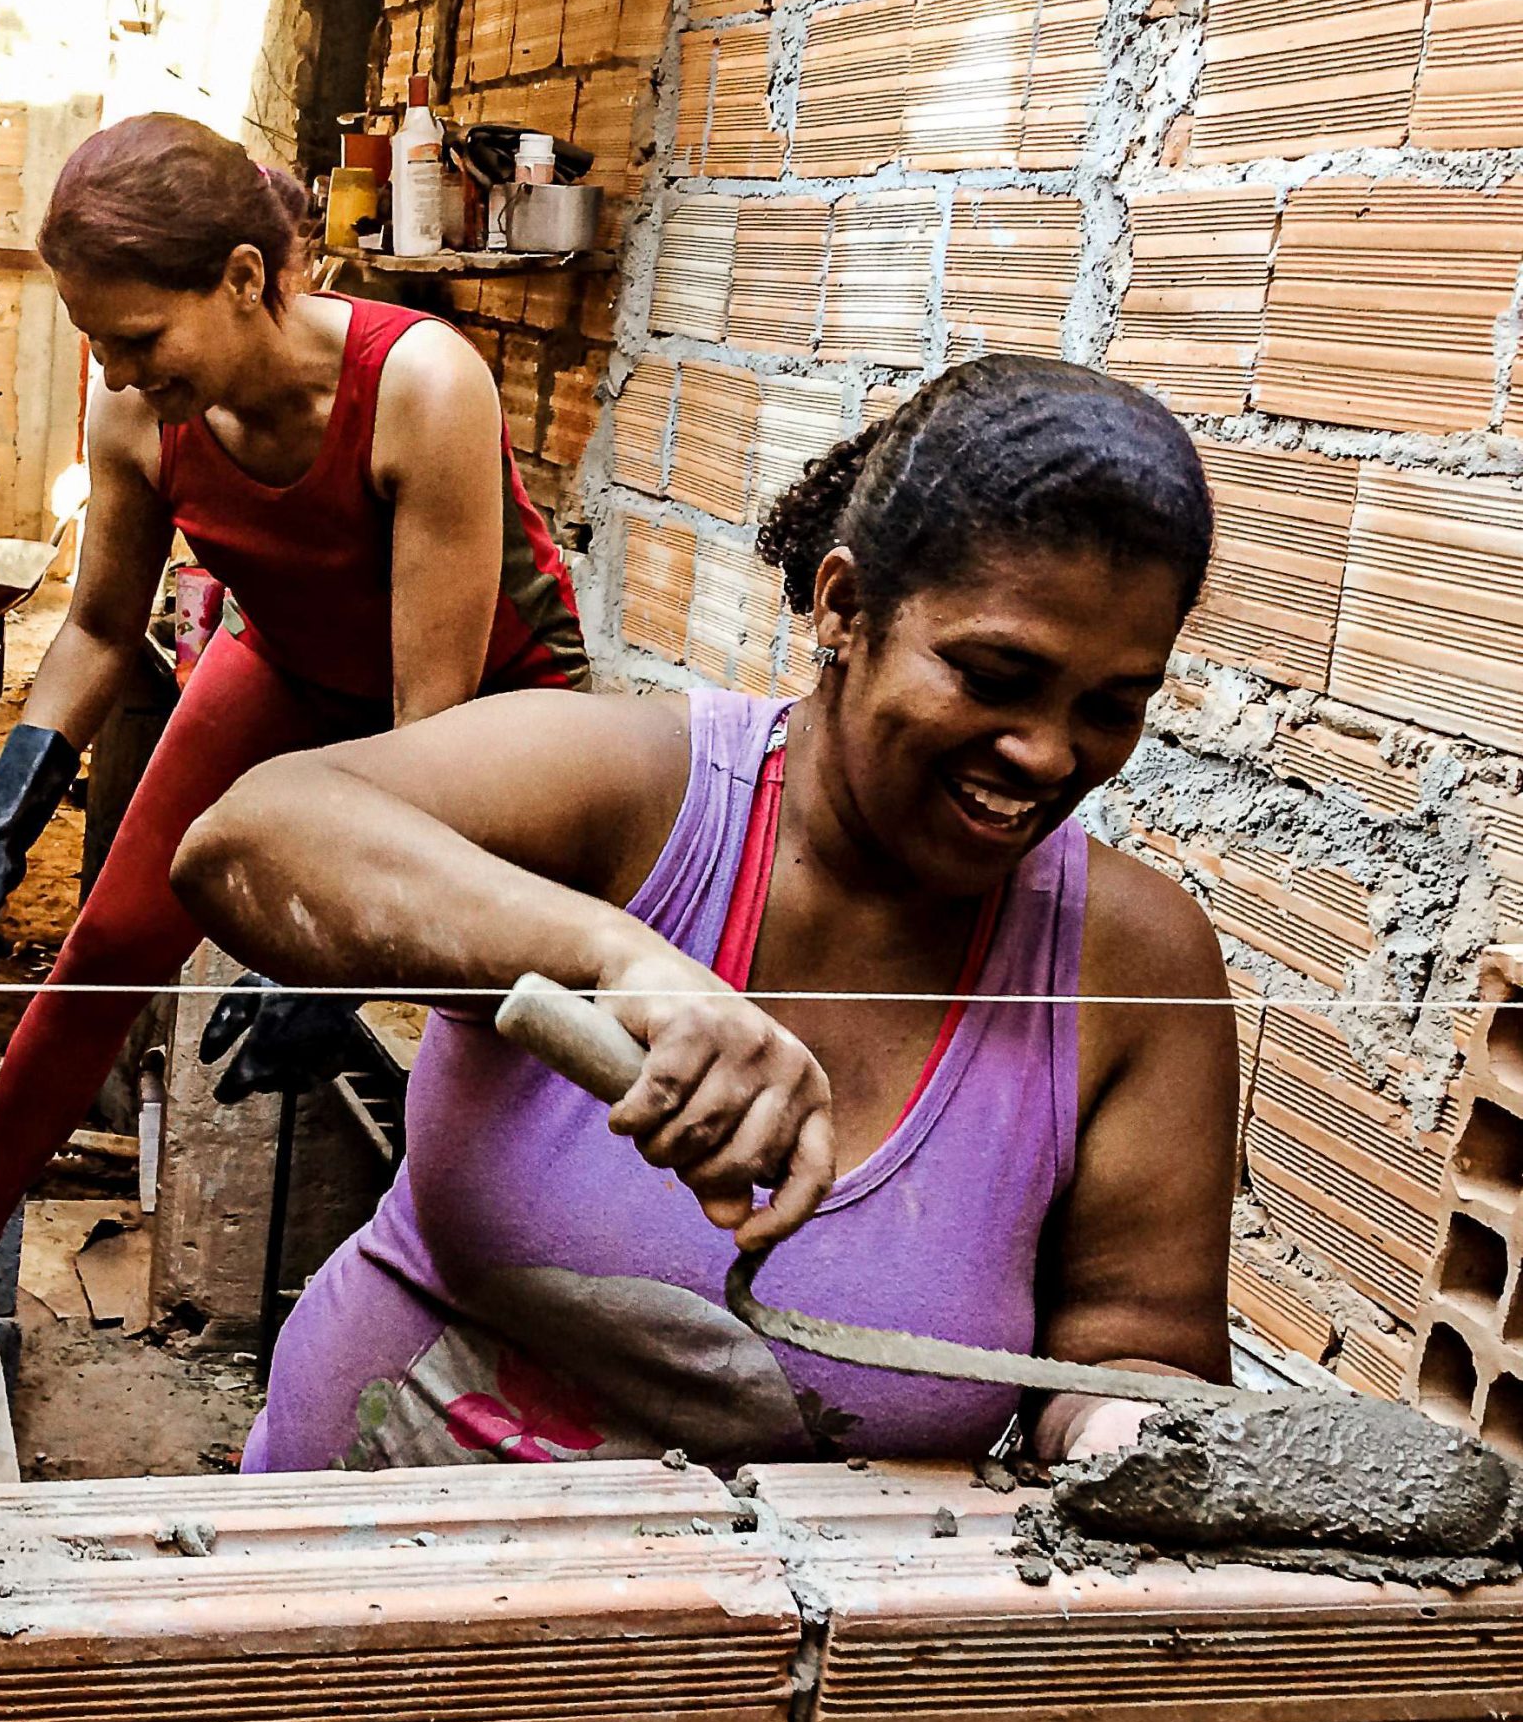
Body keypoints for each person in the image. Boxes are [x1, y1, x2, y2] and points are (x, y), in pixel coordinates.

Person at [168, 354, 1238, 1470]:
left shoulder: (1129, 964)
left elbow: (1129, 1348)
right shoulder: (642, 797)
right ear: (844, 607)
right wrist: (617, 963)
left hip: (775, 1637)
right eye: (992, 676)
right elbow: (248, 839)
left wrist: (1128, 1429)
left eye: (1111, 707)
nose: (1049, 752)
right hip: (357, 1567)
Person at [0, 113, 589, 1339]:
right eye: (92, 341)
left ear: (242, 279)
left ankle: (479, 1312)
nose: (115, 373)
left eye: (135, 339)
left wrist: (343, 966)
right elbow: (99, 629)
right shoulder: (135, 415)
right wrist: (3, 822)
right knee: (115, 931)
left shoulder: (422, 386)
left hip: (486, 709)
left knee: (472, 1004)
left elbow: (423, 738)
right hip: (291, 658)